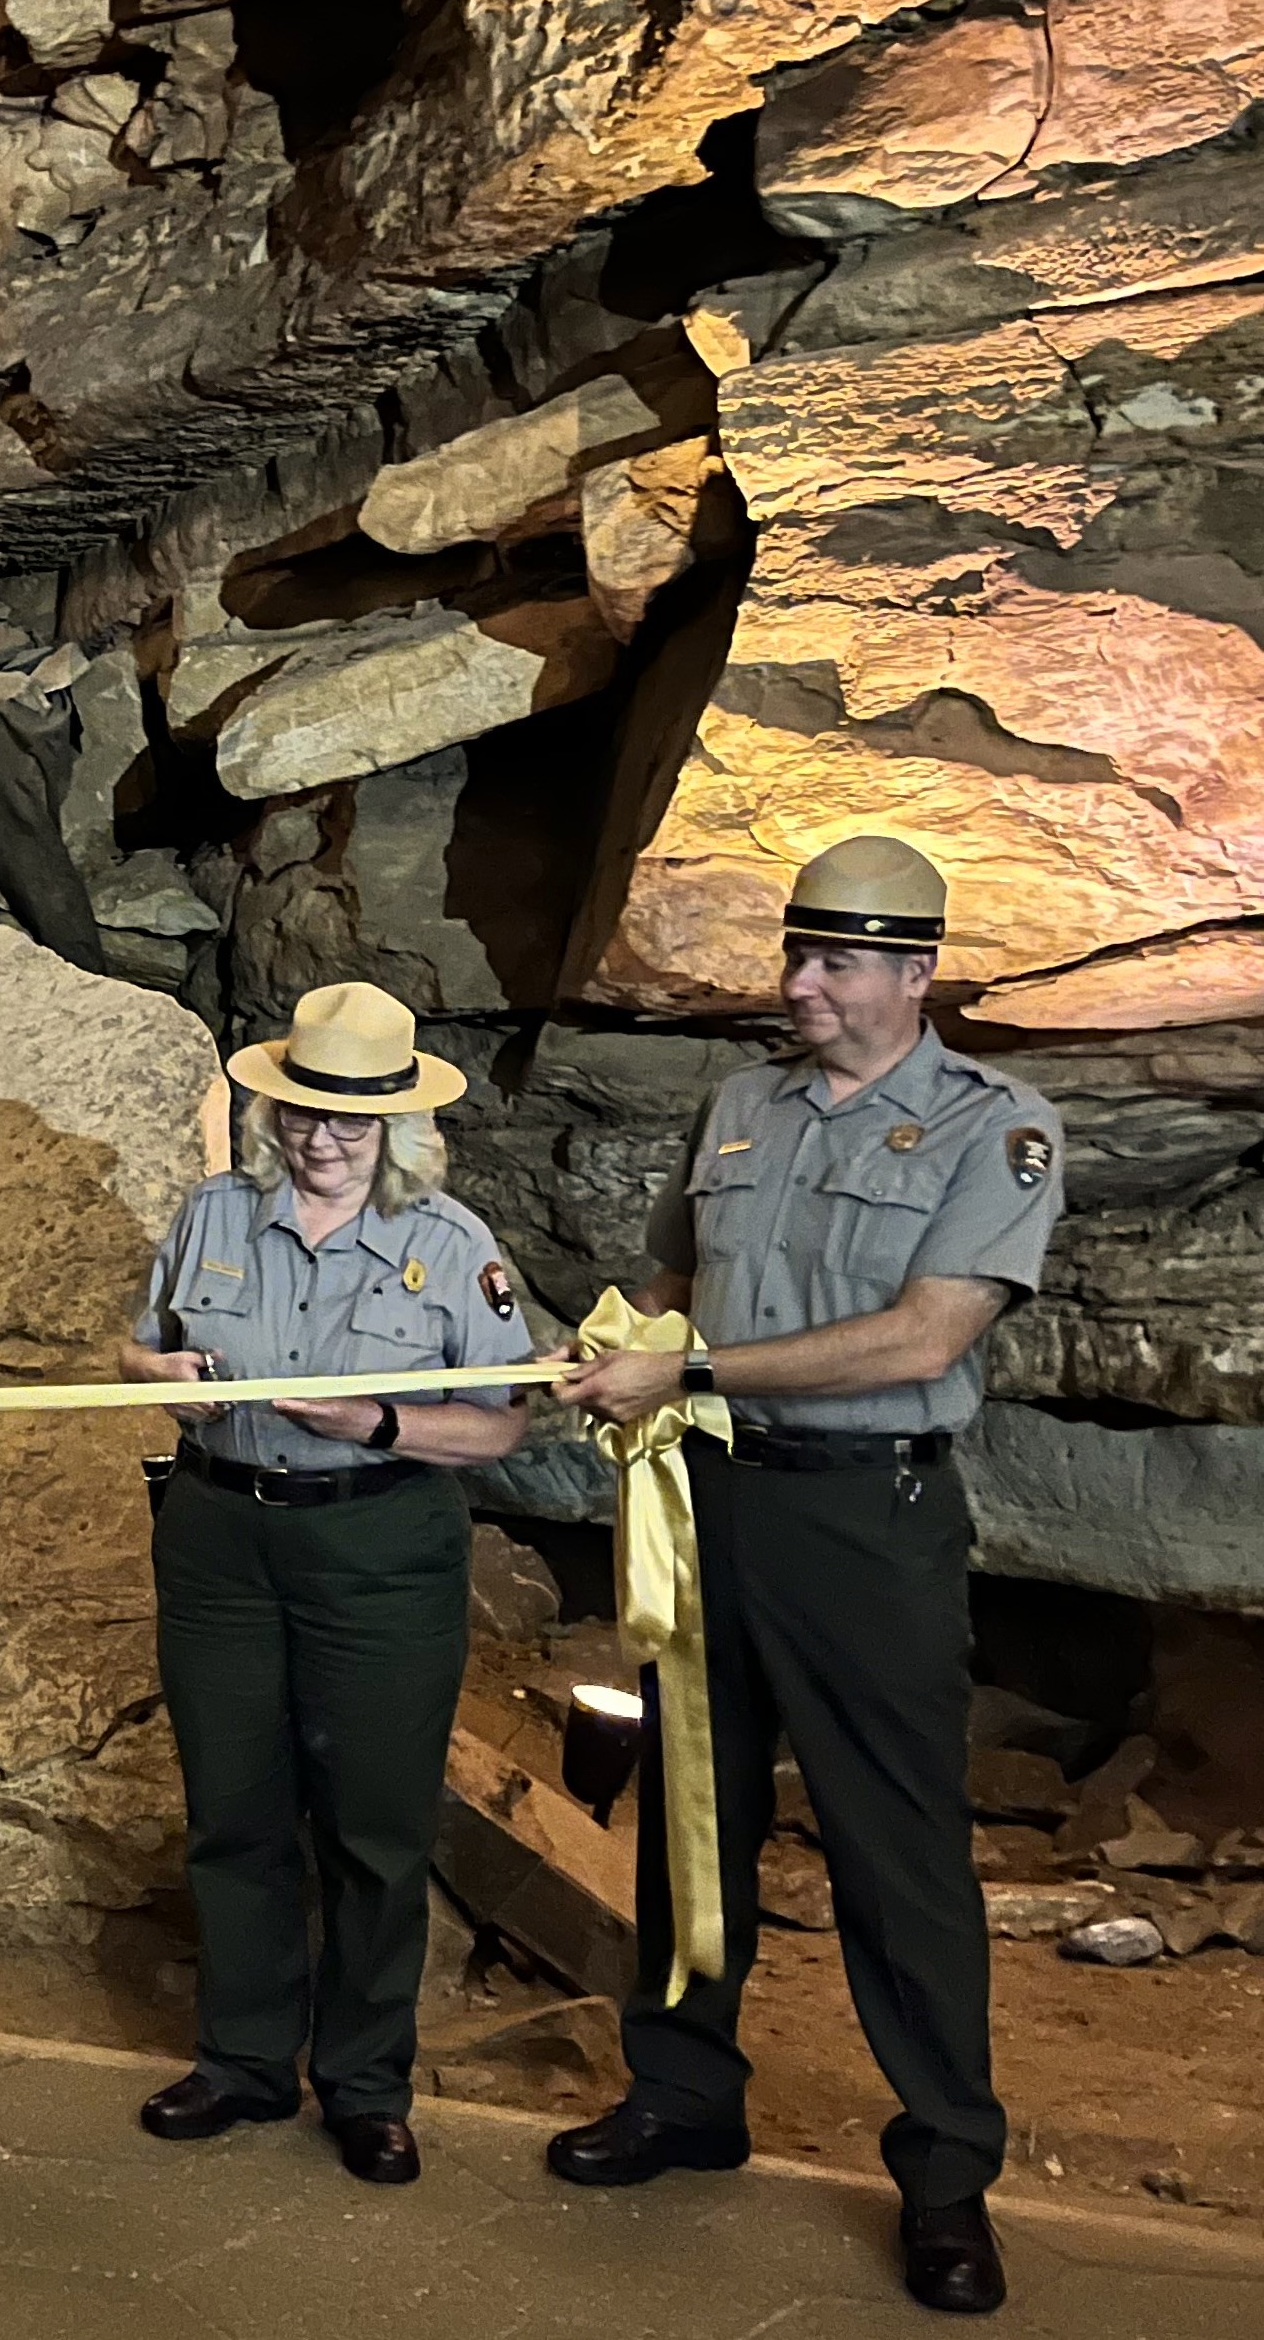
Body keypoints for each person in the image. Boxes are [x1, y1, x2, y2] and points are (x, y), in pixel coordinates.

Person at [558, 836, 1063, 2317]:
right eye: (795, 953)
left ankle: (946, 2176)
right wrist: (611, 1340)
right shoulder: (742, 1102)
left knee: (891, 1851)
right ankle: (679, 2092)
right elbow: (667, 1281)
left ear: (913, 972)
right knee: (690, 1814)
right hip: (711, 1501)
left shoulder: (993, 1127)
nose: (800, 984)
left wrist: (690, 1362)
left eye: (835, 960)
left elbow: (921, 1336)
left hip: (864, 1523)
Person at [119, 980, 535, 2184]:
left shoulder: (453, 1248)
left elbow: (501, 1428)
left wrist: (375, 1417)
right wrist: (159, 1372)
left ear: (399, 1127)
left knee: (373, 1824)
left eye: (351, 1120)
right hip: (221, 1535)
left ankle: (364, 2082)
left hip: (379, 1548)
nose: (321, 1137)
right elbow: (135, 1345)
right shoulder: (212, 1215)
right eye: (303, 1111)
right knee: (235, 1809)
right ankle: (243, 2059)